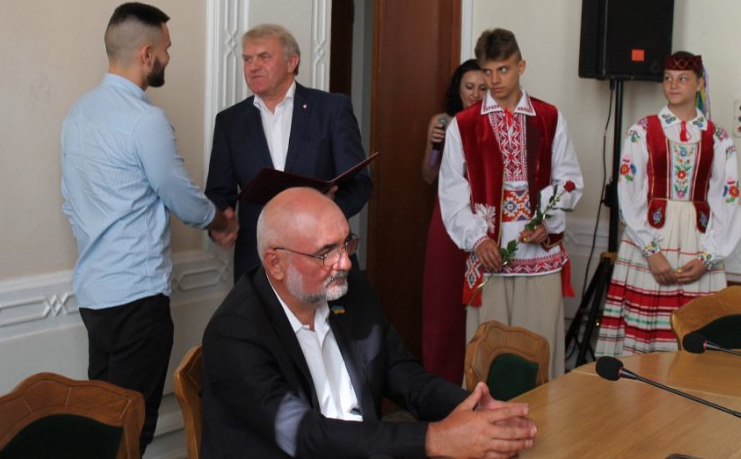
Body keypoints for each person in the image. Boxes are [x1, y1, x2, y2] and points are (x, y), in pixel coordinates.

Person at [201, 187, 537, 459]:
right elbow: (306, 436)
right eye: (327, 252)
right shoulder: (235, 333)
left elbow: (406, 376)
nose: (345, 263)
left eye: (347, 243)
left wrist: (473, 411)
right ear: (275, 263)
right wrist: (434, 438)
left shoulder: (351, 292)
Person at [61, 2, 238, 454]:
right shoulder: (145, 120)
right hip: (137, 297)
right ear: (146, 54)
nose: (168, 58)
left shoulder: (78, 114)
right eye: (166, 49)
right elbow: (176, 191)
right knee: (130, 430)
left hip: (95, 294)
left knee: (102, 425)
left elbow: (70, 200)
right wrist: (218, 220)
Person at [439, 28, 583, 379]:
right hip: (490, 257)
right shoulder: (464, 125)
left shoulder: (549, 117)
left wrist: (546, 222)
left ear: (521, 66)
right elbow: (452, 191)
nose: (494, 80)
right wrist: (478, 239)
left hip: (540, 259)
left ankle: (545, 416)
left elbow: (569, 180)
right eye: (487, 71)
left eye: (503, 70)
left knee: (540, 352)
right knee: (488, 359)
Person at [596, 52, 741, 357]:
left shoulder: (718, 137)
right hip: (650, 240)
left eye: (683, 78)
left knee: (697, 334)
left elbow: (726, 200)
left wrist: (708, 258)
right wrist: (651, 252)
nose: (673, 85)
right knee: (643, 342)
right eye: (668, 78)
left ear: (699, 83)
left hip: (698, 241)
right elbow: (629, 193)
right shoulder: (642, 131)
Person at [206, 24, 372, 282]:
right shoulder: (230, 121)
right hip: (257, 261)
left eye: (264, 57)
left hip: (323, 255)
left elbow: (360, 183)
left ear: (291, 62)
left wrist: (326, 209)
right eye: (247, 59)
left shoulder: (331, 109)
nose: (253, 67)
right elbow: (219, 192)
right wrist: (219, 225)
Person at [421, 60, 487, 385]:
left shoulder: (496, 123)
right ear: (458, 90)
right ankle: (439, 382)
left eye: (482, 88)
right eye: (469, 87)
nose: (475, 94)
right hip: (447, 220)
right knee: (443, 299)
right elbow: (428, 174)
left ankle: (476, 379)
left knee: (480, 300)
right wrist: (435, 144)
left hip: (485, 218)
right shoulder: (443, 122)